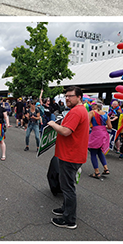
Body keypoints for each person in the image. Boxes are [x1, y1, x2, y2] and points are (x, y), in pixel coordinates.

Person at [47, 86, 90, 229]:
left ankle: (69, 219)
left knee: (67, 187)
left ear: (79, 97)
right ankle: (66, 209)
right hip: (72, 153)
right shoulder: (80, 110)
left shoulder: (77, 111)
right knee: (66, 185)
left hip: (70, 155)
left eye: (70, 96)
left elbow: (66, 131)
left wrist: (53, 124)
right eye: (66, 96)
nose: (67, 98)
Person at [88, 99, 112, 179]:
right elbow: (110, 127)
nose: (91, 106)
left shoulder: (91, 113)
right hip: (104, 134)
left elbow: (86, 124)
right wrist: (102, 126)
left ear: (95, 106)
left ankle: (97, 172)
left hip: (95, 134)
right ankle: (106, 168)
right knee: (99, 151)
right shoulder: (106, 114)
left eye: (92, 105)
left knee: (93, 153)